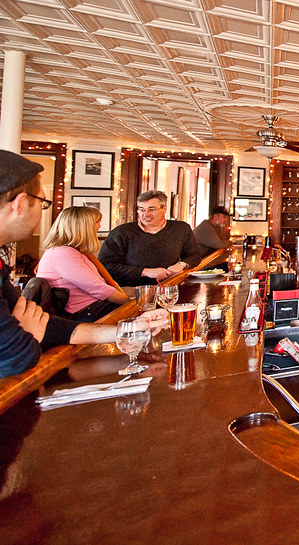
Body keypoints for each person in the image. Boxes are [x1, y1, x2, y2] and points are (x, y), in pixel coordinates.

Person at [0, 151, 168, 378]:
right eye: (43, 202)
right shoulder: (63, 253)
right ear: (20, 203)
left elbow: (47, 328)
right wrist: (30, 337)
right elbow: (13, 358)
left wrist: (131, 328)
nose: (43, 212)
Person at [36, 206, 130, 321]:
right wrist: (133, 304)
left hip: (93, 308)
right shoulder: (62, 253)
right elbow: (100, 289)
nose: (99, 226)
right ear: (83, 227)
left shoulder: (73, 252)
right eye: (97, 222)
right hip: (86, 313)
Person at [98, 190, 203, 286]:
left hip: (172, 286)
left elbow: (195, 255)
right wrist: (145, 272)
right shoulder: (121, 232)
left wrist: (181, 265)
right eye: (142, 210)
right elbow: (105, 266)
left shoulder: (181, 228)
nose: (146, 214)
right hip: (132, 290)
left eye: (151, 209)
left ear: (164, 209)